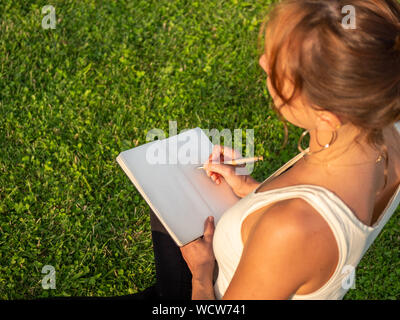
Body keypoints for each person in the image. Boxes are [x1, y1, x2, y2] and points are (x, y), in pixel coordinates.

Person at [140, 0, 400, 300]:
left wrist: (200, 273)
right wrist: (253, 191)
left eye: (277, 67)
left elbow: (300, 231)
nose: (264, 61)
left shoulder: (289, 229)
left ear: (326, 116)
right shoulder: (383, 124)